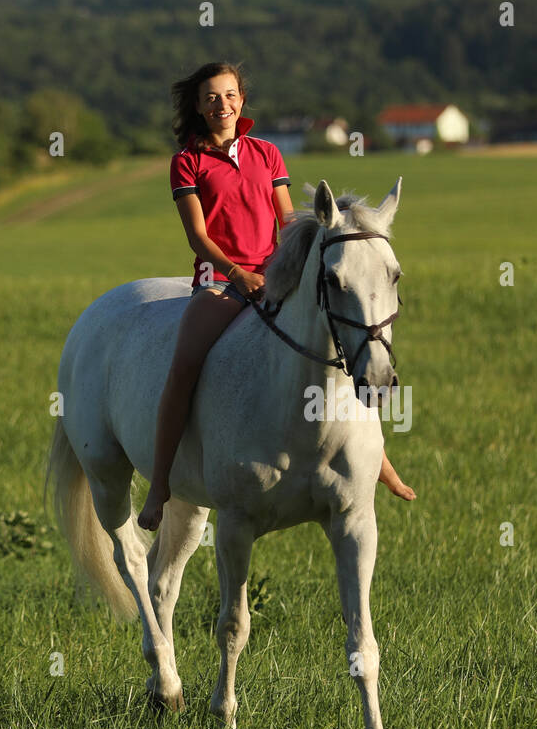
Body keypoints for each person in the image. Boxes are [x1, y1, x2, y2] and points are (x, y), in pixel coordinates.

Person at [138, 62, 415, 531]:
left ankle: (377, 459)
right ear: (198, 107)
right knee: (183, 367)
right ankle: (160, 484)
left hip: (275, 276)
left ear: (241, 101)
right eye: (210, 98)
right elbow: (198, 237)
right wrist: (237, 274)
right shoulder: (187, 162)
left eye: (228, 95)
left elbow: (288, 223)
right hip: (220, 281)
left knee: (340, 347)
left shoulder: (267, 154)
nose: (220, 104)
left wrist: (286, 272)